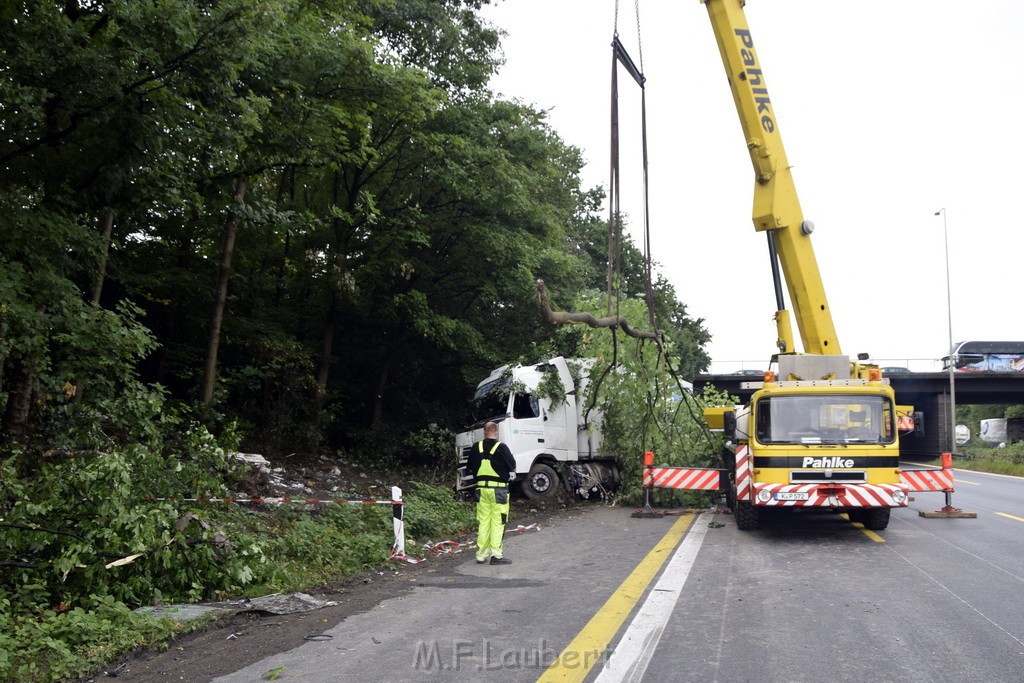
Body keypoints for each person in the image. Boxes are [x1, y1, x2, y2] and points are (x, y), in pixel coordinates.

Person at [467, 421, 517, 565]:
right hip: (499, 491)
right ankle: (496, 555)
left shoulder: (476, 447)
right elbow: (512, 467)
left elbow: (470, 469)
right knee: (498, 522)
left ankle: (481, 555)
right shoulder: (501, 447)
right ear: (497, 432)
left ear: (484, 432)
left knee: (483, 522)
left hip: (481, 490)